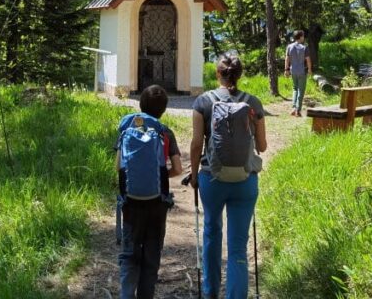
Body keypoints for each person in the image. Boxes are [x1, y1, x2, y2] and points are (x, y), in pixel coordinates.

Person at [189, 53, 267, 299]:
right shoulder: (253, 103)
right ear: (240, 74)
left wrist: (193, 175)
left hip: (212, 179)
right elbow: (262, 147)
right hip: (245, 181)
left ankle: (210, 291)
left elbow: (195, 144)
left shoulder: (203, 102)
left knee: (211, 230)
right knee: (237, 247)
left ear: (217, 74)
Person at [116, 84, 182, 299]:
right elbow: (178, 169)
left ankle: (126, 295)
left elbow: (119, 167)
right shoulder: (165, 132)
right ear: (163, 110)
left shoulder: (127, 129)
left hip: (130, 203)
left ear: (140, 104)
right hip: (157, 203)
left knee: (129, 254)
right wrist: (162, 176)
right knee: (151, 254)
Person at [284, 29, 312, 117]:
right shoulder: (305, 47)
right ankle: (298, 110)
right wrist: (310, 69)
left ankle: (293, 108)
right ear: (300, 37)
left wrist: (286, 69)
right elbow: (308, 60)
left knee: (295, 89)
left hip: (293, 71)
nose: (304, 37)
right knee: (301, 90)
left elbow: (287, 59)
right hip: (302, 71)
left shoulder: (289, 46)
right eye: (303, 36)